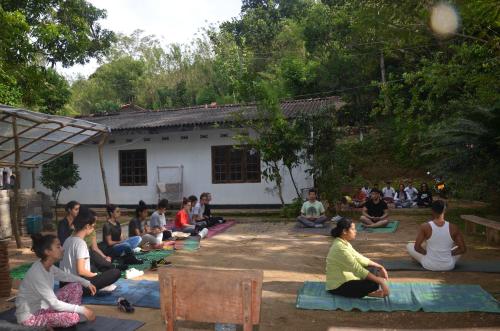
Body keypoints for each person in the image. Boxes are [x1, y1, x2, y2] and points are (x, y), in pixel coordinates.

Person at [15, 234, 96, 328]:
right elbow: (54, 304)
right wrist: (83, 310)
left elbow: (65, 276)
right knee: (72, 318)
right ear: (47, 252)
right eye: (58, 247)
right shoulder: (37, 273)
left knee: (76, 286)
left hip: (44, 307)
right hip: (30, 317)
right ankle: (74, 315)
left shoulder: (48, 266)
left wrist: (86, 282)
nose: (62, 249)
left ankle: (73, 313)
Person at [60, 207, 121, 295]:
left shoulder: (68, 240)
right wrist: (96, 275)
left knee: (97, 267)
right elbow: (81, 271)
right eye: (92, 227)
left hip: (64, 284)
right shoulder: (81, 243)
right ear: (87, 226)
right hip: (76, 287)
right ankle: (100, 286)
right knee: (116, 272)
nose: (93, 229)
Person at [326, 218, 390, 298]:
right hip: (338, 286)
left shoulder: (343, 242)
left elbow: (359, 258)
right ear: (344, 231)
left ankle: (366, 292)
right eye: (353, 229)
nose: (355, 231)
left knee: (373, 269)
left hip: (350, 278)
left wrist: (380, 267)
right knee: (373, 284)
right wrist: (380, 281)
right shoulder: (340, 248)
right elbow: (357, 269)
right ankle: (368, 293)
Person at [406, 200, 466, 271]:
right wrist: (447, 254)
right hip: (448, 265)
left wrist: (428, 254)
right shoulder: (453, 227)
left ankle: (437, 255)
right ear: (445, 211)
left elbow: (417, 247)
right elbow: (463, 249)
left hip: (429, 264)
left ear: (432, 211)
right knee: (457, 247)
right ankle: (444, 255)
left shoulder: (425, 226)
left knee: (409, 245)